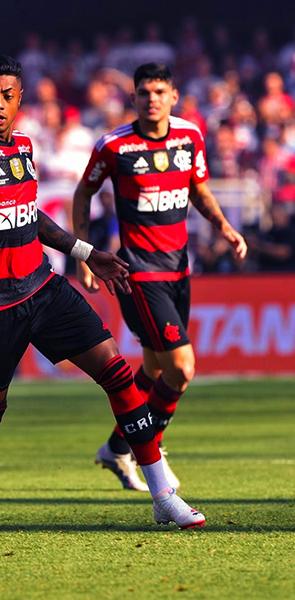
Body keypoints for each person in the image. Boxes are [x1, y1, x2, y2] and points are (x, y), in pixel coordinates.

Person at [0, 55, 205, 532]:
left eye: (8, 95)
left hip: (45, 286)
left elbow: (30, 216)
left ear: (20, 98)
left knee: (118, 375)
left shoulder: (24, 145)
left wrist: (86, 251)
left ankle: (163, 495)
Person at [72, 62, 247, 492]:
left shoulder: (190, 136)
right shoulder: (115, 145)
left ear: (172, 96)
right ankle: (150, 450)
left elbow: (198, 189)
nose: (152, 99)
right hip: (138, 272)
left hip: (178, 268)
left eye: (159, 91)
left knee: (153, 367)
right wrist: (83, 257)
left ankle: (116, 447)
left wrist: (223, 226)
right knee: (182, 368)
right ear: (133, 98)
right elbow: (82, 193)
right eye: (144, 92)